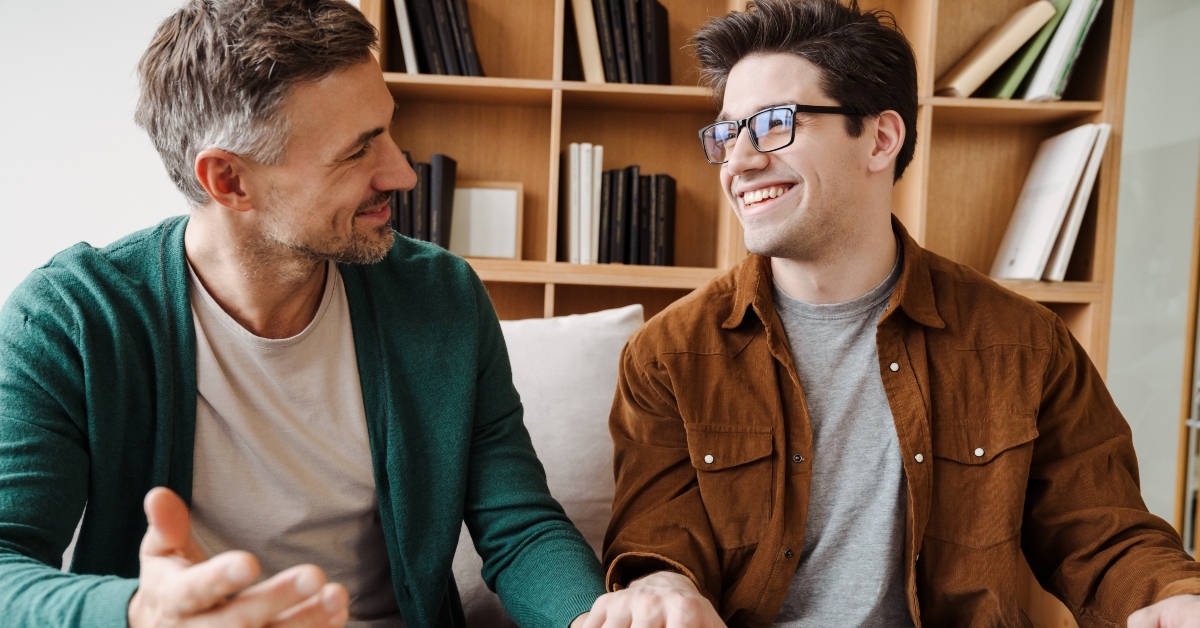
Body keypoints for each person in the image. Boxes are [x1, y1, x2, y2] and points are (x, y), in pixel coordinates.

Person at [577, 1, 1200, 627]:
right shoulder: (669, 353)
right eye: (725, 133)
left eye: (770, 125)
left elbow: (1102, 534)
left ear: (880, 139)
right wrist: (662, 587)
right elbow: (658, 538)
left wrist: (1173, 598)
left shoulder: (1026, 346)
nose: (738, 161)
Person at [0, 1, 605, 627]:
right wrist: (136, 612)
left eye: (388, 130)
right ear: (229, 180)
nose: (402, 172)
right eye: (356, 152)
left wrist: (592, 617)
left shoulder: (441, 297)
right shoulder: (69, 318)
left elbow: (520, 525)